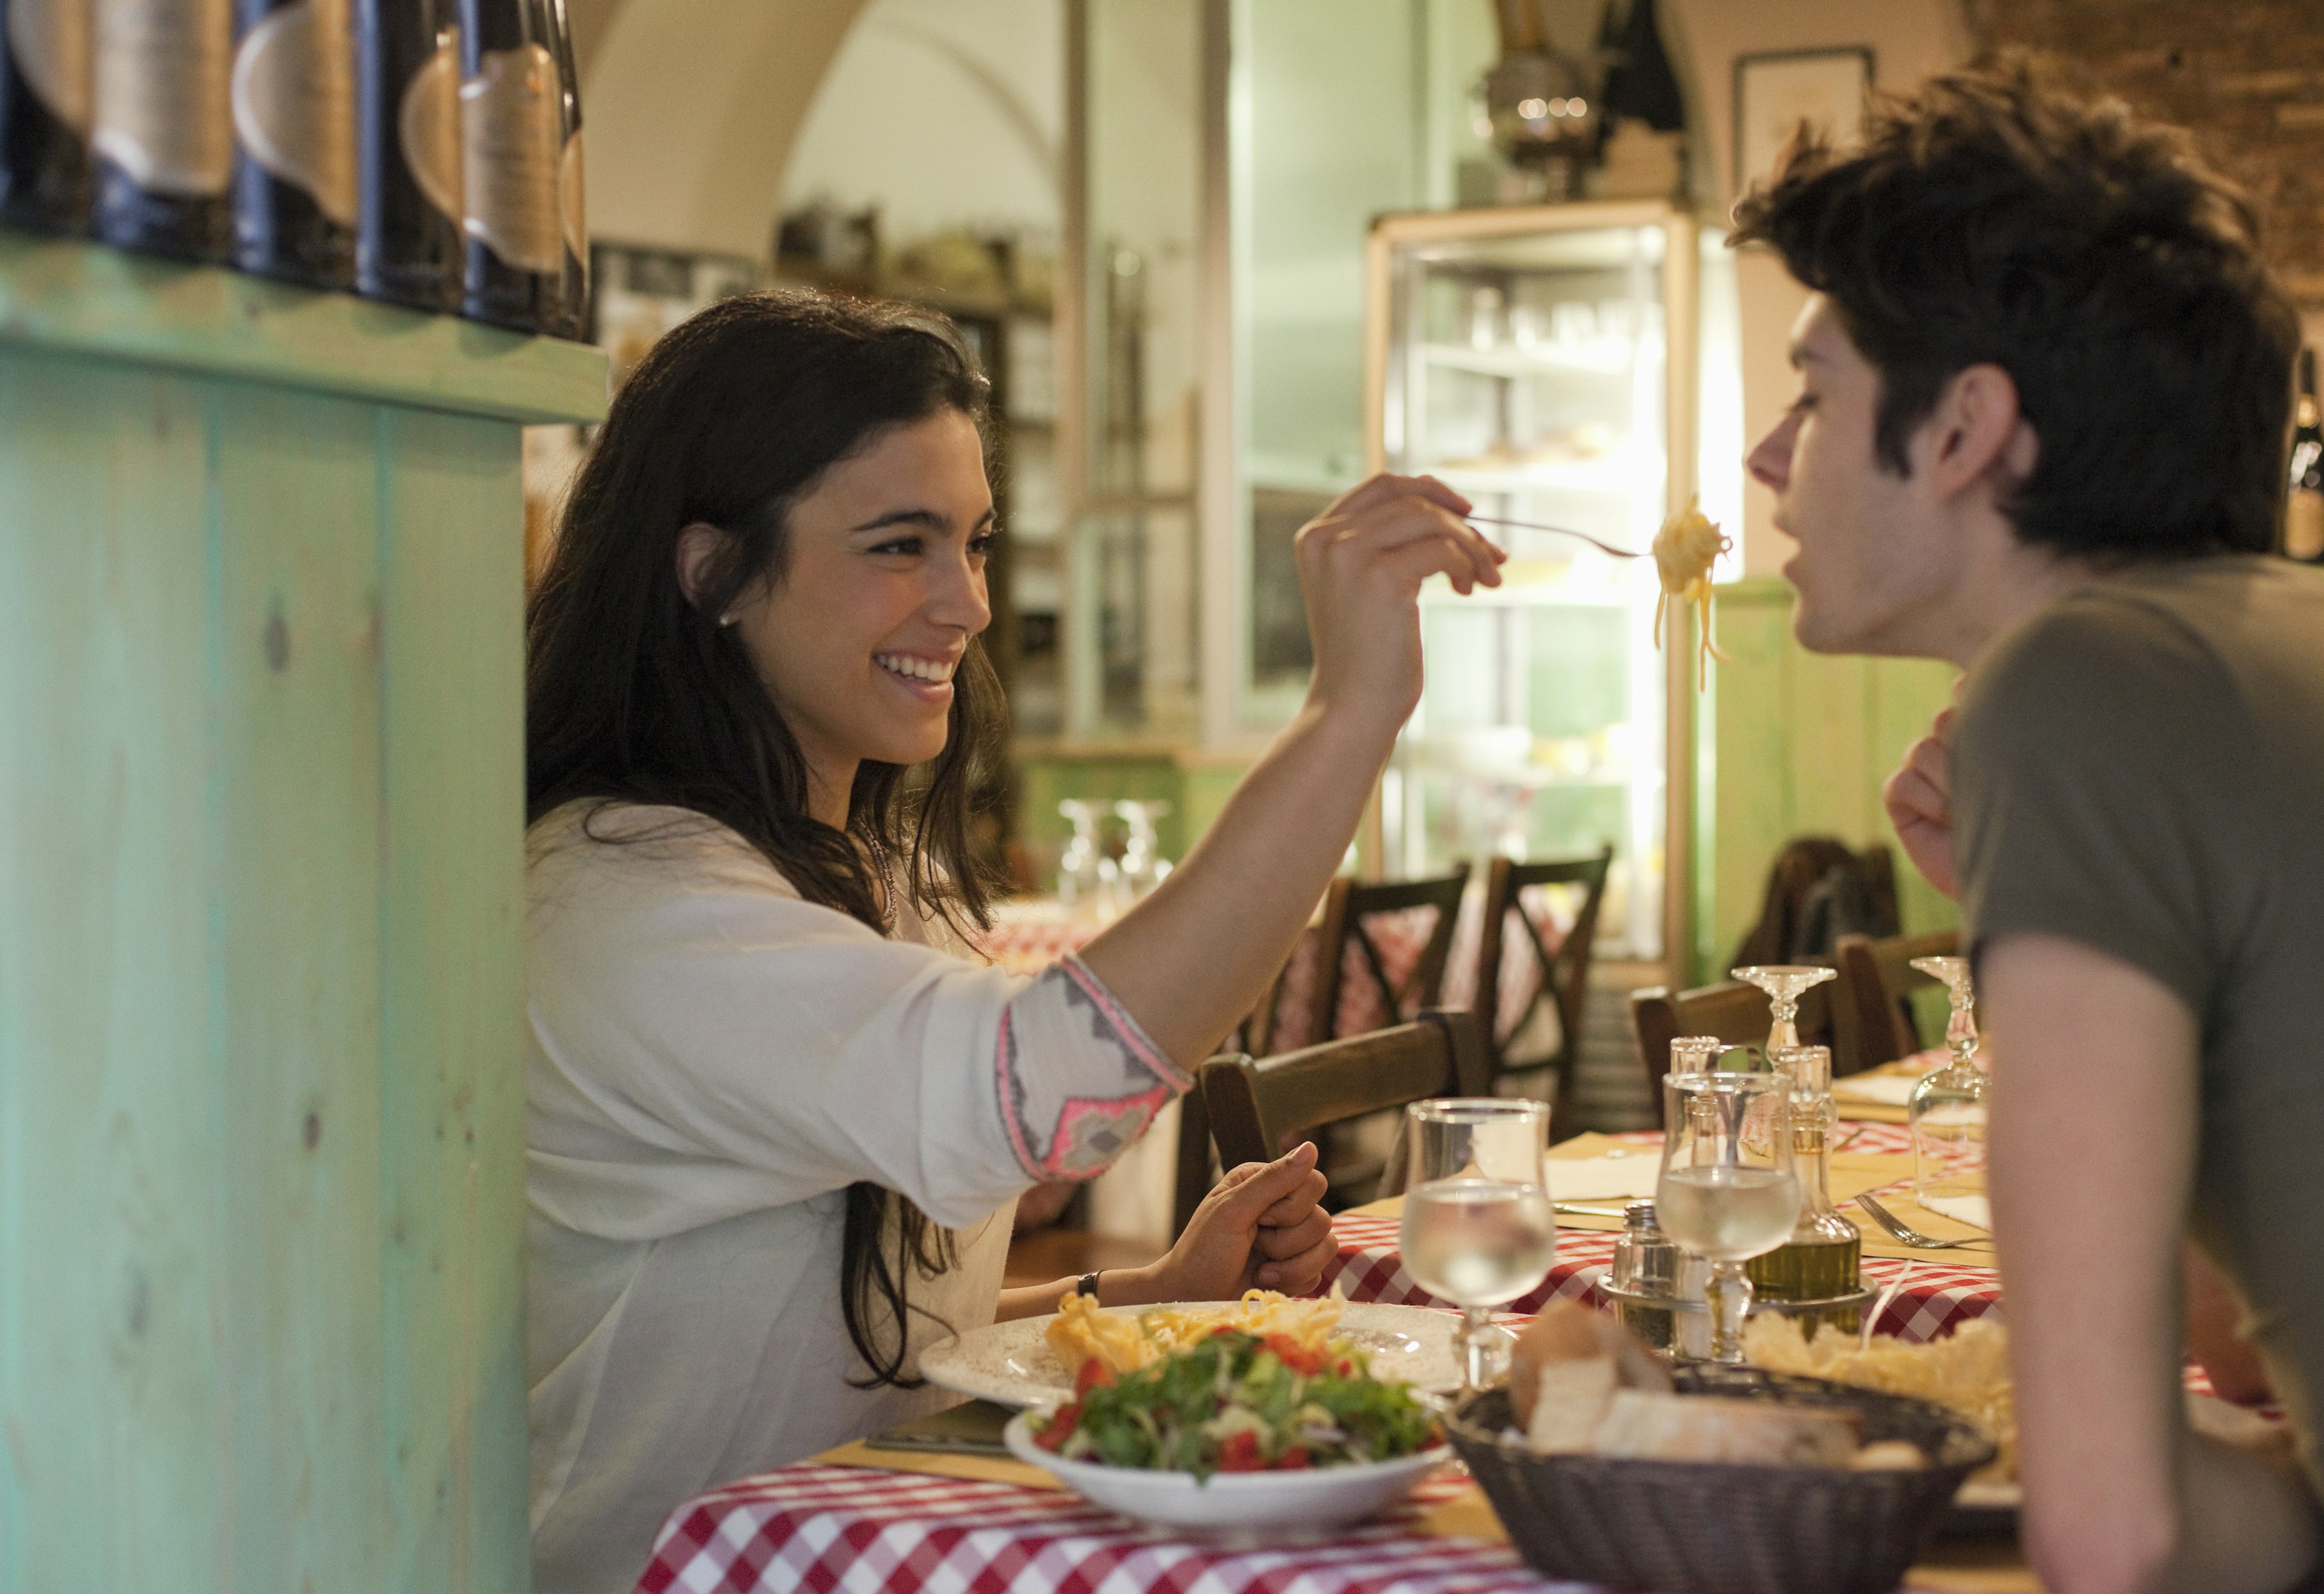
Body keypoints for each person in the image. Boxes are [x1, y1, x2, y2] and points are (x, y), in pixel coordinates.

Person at [520, 289, 1503, 1593]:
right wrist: (1348, 712)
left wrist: (1144, 1297)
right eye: (899, 546)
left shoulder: (874, 870)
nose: (968, 603)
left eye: (975, 544)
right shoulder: (620, 904)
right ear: (712, 571)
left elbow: (873, 1347)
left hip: (867, 1555)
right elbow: (1049, 1101)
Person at [1736, 62, 2324, 1594]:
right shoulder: (2270, 649)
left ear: (1964, 431)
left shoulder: (2074, 687)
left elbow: (2113, 1538)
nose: (1766, 459)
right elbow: (2249, 1354)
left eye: (1813, 393)